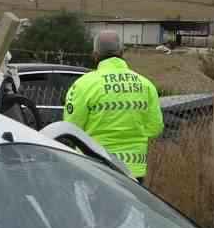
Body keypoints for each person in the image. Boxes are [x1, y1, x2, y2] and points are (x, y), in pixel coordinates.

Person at [63, 31, 163, 184]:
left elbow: (72, 127)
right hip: (133, 170)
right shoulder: (146, 85)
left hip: (94, 166)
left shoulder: (83, 85)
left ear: (95, 55)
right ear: (122, 52)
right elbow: (155, 128)